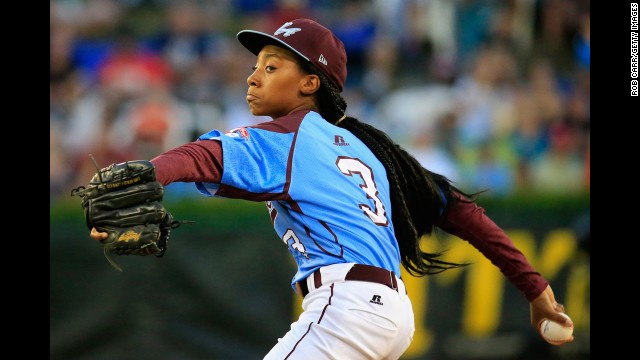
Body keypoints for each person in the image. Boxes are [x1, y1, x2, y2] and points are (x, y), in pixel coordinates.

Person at [90, 18, 573, 359]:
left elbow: (204, 156)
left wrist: (149, 175)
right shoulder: (373, 150)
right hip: (391, 317)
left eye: (272, 66)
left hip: (346, 309)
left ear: (311, 83)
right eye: (256, 65)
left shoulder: (288, 139)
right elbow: (465, 212)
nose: (253, 76)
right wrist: (537, 291)